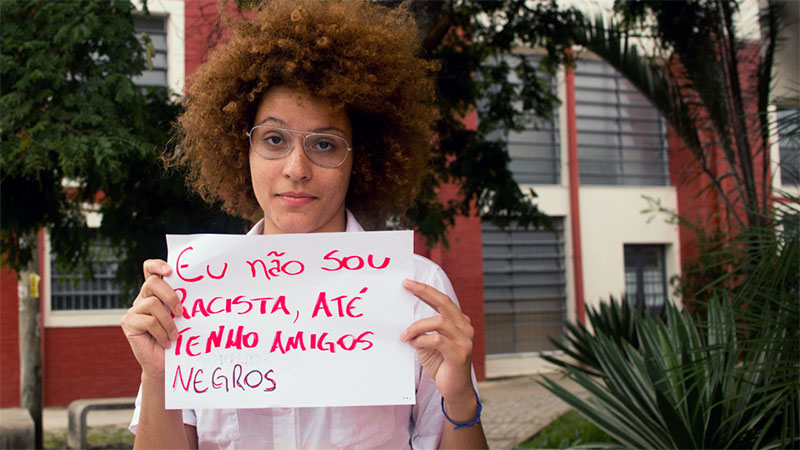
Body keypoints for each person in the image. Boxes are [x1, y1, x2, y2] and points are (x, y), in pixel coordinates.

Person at [121, 0, 489, 448]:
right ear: (244, 149)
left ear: (362, 158)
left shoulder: (416, 291)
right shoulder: (191, 296)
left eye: (325, 145)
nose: (297, 167)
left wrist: (461, 401)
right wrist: (158, 375)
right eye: (274, 139)